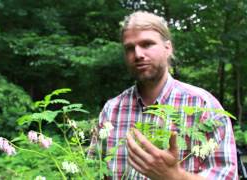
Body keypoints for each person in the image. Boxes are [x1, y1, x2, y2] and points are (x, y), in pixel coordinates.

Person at [90, 11, 238, 179]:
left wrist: (174, 176)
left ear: (168, 48)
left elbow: (226, 176)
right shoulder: (112, 110)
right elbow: (92, 172)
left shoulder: (202, 105)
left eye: (147, 44)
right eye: (130, 48)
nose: (138, 54)